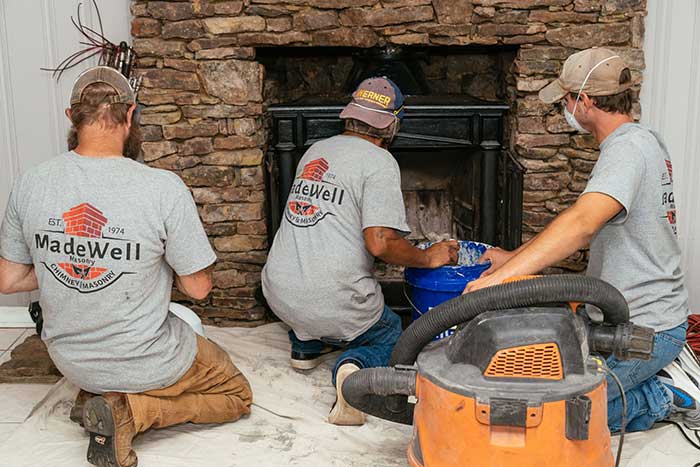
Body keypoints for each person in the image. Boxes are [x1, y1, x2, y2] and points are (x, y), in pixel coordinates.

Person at [0, 66, 252, 467]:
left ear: (72, 117)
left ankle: (98, 397)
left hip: (71, 363)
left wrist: (67, 258)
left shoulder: (30, 183)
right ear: (130, 114)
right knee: (237, 394)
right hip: (143, 360)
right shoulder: (162, 188)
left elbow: (9, 279)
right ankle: (130, 412)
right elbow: (199, 288)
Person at [465, 48, 697, 432]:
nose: (564, 109)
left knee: (560, 422)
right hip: (618, 318)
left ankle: (663, 395)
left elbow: (581, 225)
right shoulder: (642, 140)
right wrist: (510, 259)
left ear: (586, 102)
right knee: (539, 395)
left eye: (567, 100)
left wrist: (497, 283)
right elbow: (573, 221)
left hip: (644, 330)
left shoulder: (626, 151)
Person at [262, 77, 459, 426]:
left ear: (349, 116)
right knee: (392, 335)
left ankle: (305, 346)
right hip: (330, 299)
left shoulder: (316, 149)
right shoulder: (379, 161)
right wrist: (429, 257)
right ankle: (353, 374)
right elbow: (380, 242)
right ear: (393, 123)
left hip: (279, 292)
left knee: (316, 298)